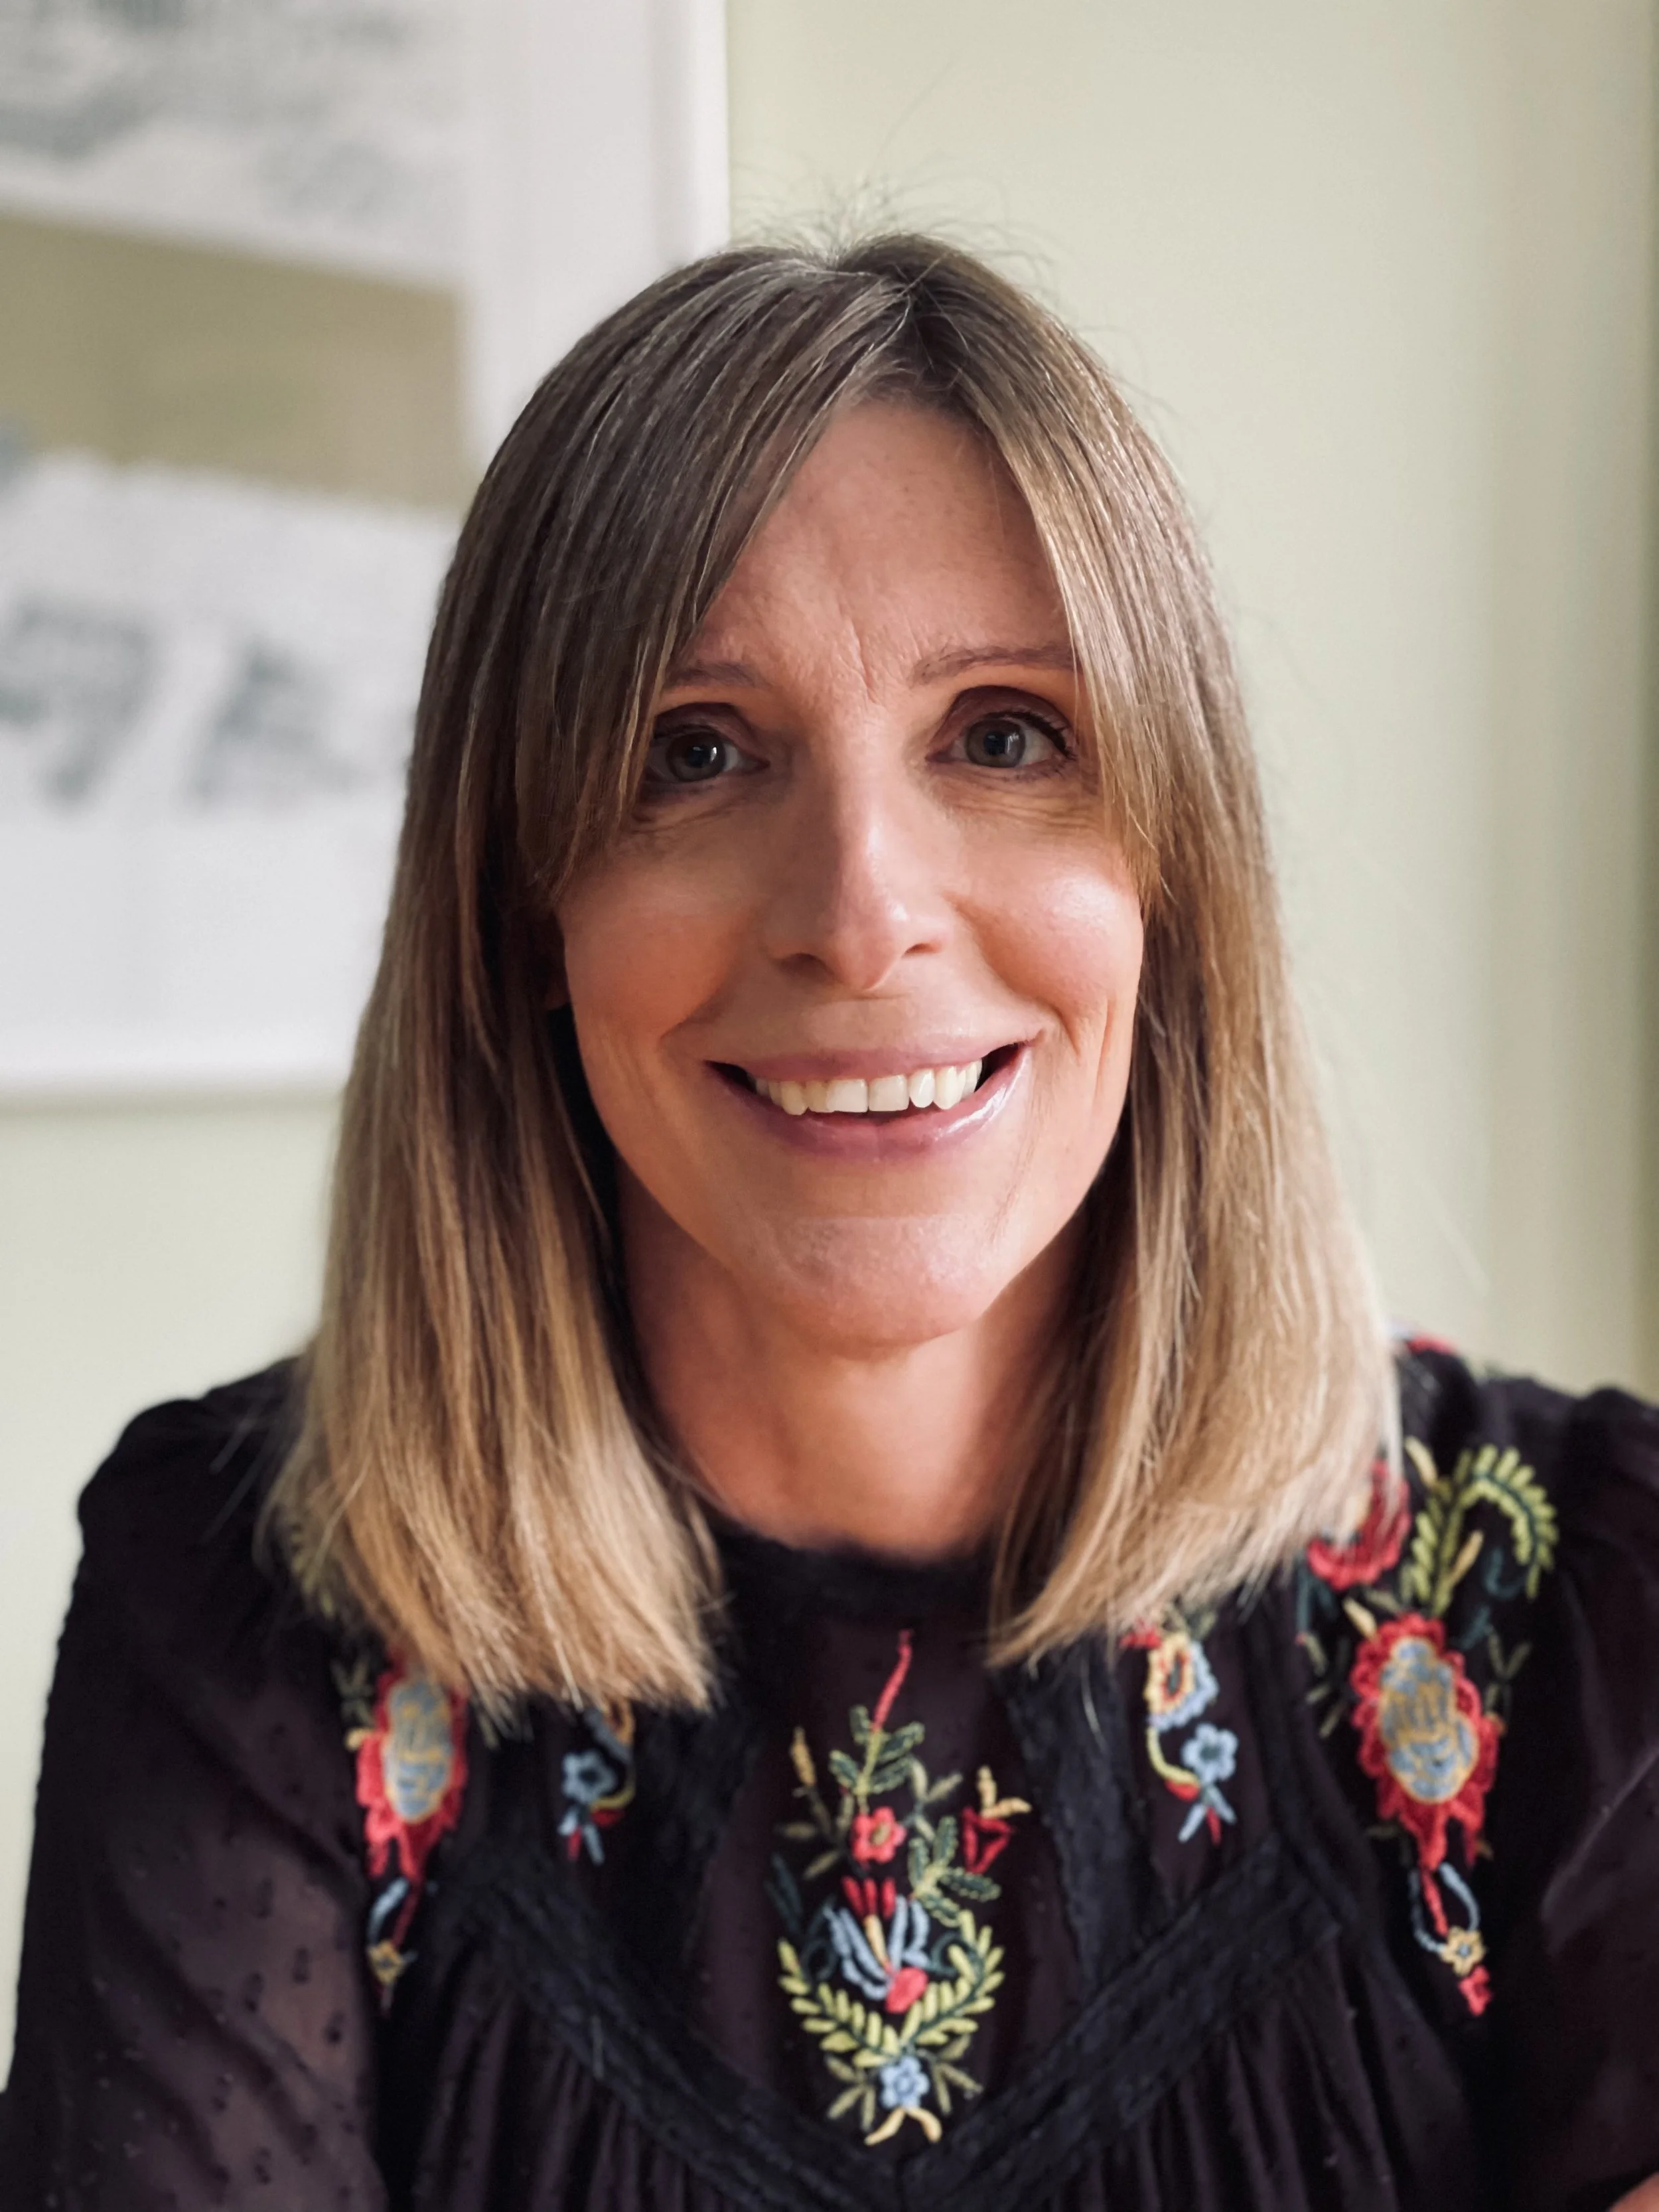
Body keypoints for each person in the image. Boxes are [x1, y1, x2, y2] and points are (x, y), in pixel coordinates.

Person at [2, 235, 1656, 2212]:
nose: (862, 913)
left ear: (1177, 875)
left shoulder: (1579, 1612)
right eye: (696, 750)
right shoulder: (247, 1611)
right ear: (523, 906)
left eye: (1003, 735)